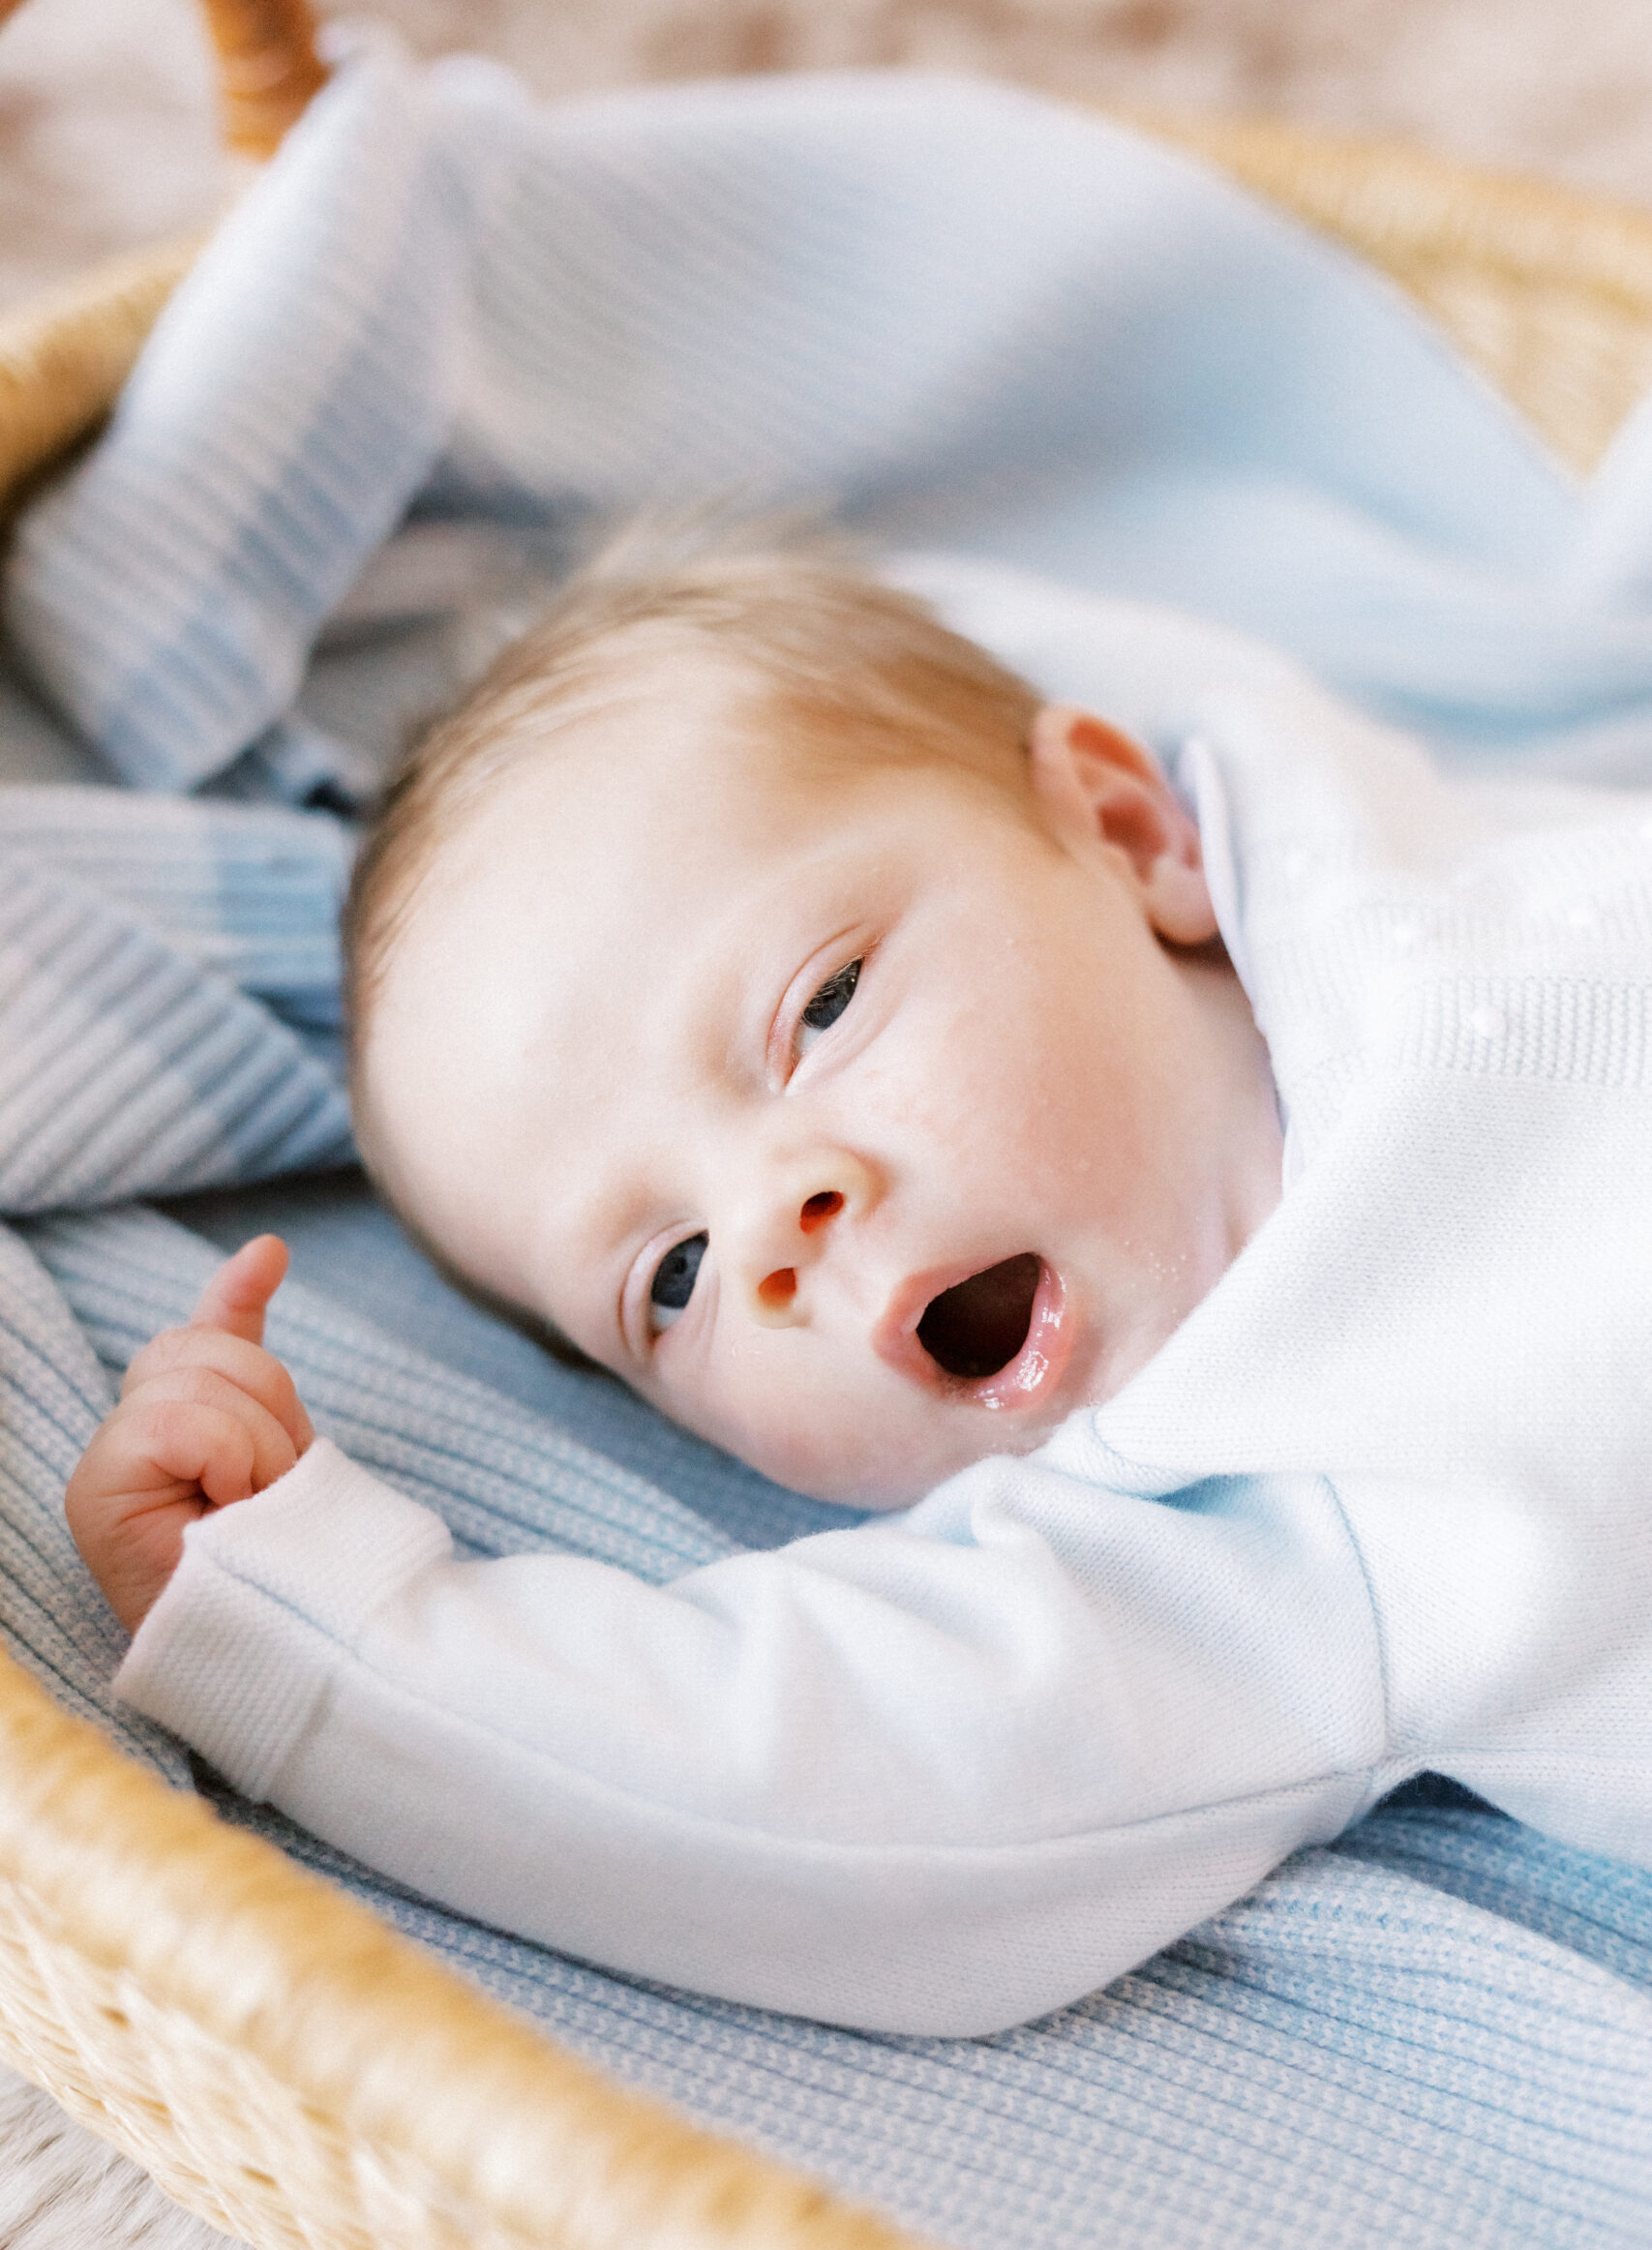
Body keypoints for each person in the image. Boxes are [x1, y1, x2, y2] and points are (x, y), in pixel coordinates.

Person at [64, 538, 1652, 2035]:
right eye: (670, 1279)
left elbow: (994, 642)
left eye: (820, 1009)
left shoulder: (1331, 824)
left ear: (1123, 831)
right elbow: (786, 1781)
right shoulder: (1264, 1531)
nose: (772, 1225)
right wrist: (318, 1623)